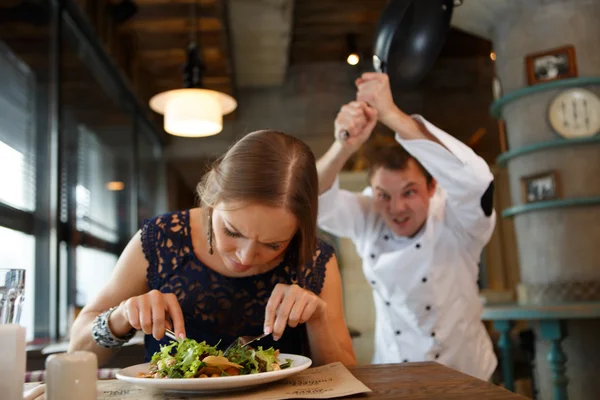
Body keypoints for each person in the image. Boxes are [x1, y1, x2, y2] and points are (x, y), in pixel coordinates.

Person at [69, 130, 356, 368]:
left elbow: (349, 374)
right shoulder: (161, 239)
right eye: (232, 231)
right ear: (212, 196)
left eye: (273, 245)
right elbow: (78, 349)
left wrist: (318, 319)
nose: (244, 257)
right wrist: (121, 318)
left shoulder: (315, 258)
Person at [316, 72, 497, 380]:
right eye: (384, 195)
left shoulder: (458, 222)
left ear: (432, 188)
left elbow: (477, 181)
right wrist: (343, 144)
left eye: (409, 192)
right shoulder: (369, 216)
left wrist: (390, 114)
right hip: (395, 374)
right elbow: (313, 201)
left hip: (466, 376)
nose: (396, 208)